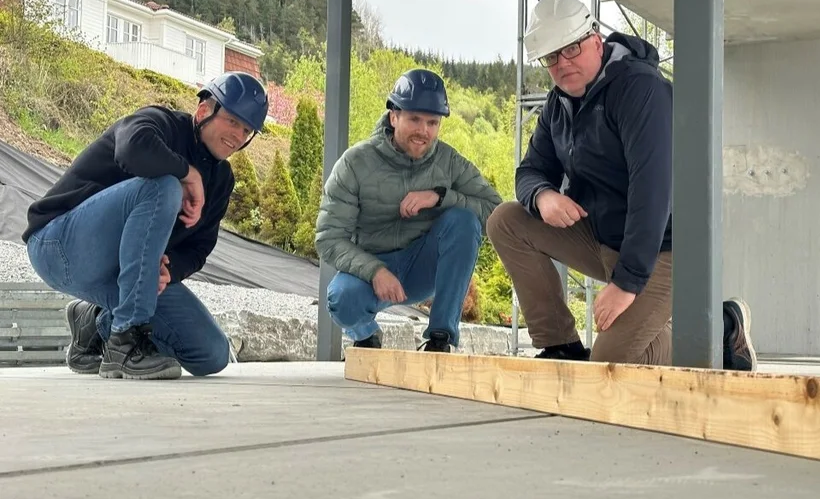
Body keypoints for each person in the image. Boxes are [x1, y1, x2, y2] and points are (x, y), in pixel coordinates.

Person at [485, 0, 757, 370]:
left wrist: (626, 285)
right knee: (507, 220)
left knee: (610, 363)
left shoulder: (640, 90)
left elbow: (653, 193)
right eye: (551, 57)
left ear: (596, 40)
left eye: (572, 49)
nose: (563, 64)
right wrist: (543, 195)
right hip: (602, 237)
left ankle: (721, 331)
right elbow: (529, 170)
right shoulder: (558, 104)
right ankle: (560, 344)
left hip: (666, 248)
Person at [22, 71, 269, 380]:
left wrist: (172, 269)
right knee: (164, 186)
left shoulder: (221, 180)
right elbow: (131, 149)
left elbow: (200, 247)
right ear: (205, 109)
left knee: (210, 353)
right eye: (232, 121)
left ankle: (95, 321)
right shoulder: (161, 123)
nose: (238, 135)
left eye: (246, 129)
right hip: (58, 246)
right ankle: (124, 341)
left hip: (119, 277)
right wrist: (187, 173)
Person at [316, 69, 501, 353]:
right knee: (340, 297)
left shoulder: (450, 162)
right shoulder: (354, 163)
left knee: (464, 221)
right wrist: (375, 270)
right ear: (394, 117)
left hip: (422, 268)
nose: (423, 131)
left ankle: (440, 339)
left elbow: (495, 212)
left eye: (432, 122)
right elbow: (329, 239)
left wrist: (440, 197)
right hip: (371, 271)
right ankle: (366, 337)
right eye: (415, 119)